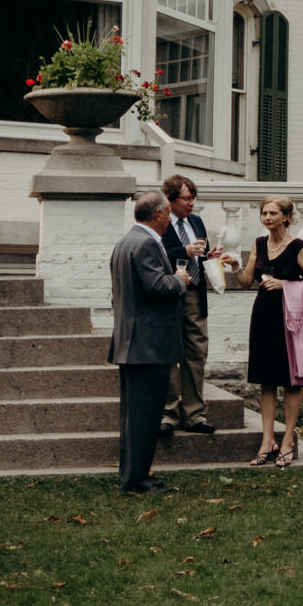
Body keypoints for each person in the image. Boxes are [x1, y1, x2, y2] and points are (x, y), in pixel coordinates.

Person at [107, 190, 190, 495]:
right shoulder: (145, 244)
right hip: (148, 345)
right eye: (169, 213)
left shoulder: (125, 241)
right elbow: (157, 287)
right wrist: (179, 279)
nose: (171, 218)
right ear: (157, 214)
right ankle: (136, 480)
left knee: (134, 417)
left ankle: (132, 475)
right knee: (144, 417)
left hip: (133, 343)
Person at [237, 195, 303, 467]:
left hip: (287, 320)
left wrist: (284, 284)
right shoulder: (259, 244)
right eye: (264, 213)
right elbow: (246, 281)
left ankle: (287, 440)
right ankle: (267, 440)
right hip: (262, 316)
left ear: (286, 216)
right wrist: (234, 267)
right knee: (266, 380)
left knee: (291, 380)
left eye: (273, 213)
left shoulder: (298, 246)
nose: (268, 218)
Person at [159, 174, 217, 436]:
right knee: (170, 352)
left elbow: (199, 253)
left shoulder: (196, 221)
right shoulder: (160, 221)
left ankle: (195, 415)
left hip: (194, 293)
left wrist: (209, 255)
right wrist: (184, 251)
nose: (192, 203)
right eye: (186, 198)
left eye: (193, 198)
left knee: (196, 353)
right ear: (170, 199)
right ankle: (168, 414)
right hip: (170, 293)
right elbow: (157, 254)